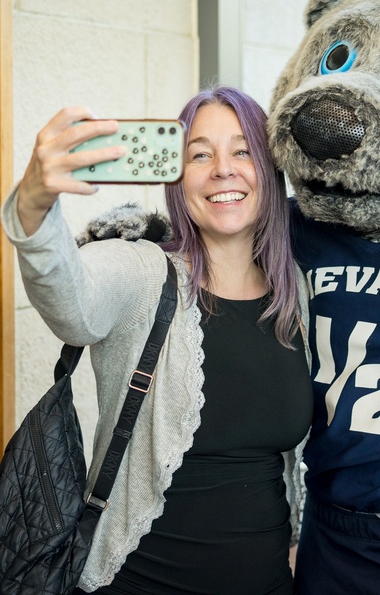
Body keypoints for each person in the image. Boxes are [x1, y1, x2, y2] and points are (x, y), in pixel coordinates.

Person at [2, 86, 313, 595]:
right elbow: (71, 303)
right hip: (137, 582)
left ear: (268, 170)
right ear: (176, 175)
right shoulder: (144, 271)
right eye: (199, 154)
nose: (223, 169)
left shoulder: (295, 291)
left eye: (242, 150)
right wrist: (34, 207)